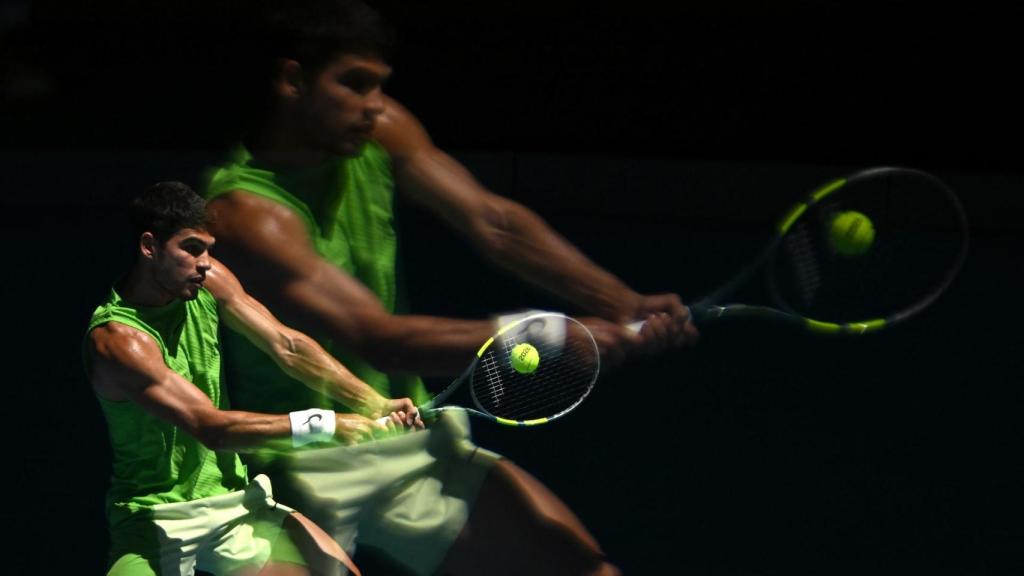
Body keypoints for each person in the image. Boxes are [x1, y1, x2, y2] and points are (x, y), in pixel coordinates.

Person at [202, 1, 700, 574]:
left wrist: (624, 304)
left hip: (405, 440)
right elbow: (377, 338)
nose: (374, 106)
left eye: (380, 86)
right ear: (293, 81)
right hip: (286, 468)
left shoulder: (380, 133)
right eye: (354, 85)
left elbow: (496, 223)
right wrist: (541, 335)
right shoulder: (247, 213)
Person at [84, 181, 422, 576]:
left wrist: (374, 404)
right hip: (156, 518)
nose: (205, 262)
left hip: (235, 504)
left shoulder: (207, 281)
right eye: (191, 248)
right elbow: (211, 428)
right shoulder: (119, 341)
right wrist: (330, 425)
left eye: (209, 249)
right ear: (149, 247)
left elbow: (288, 346)